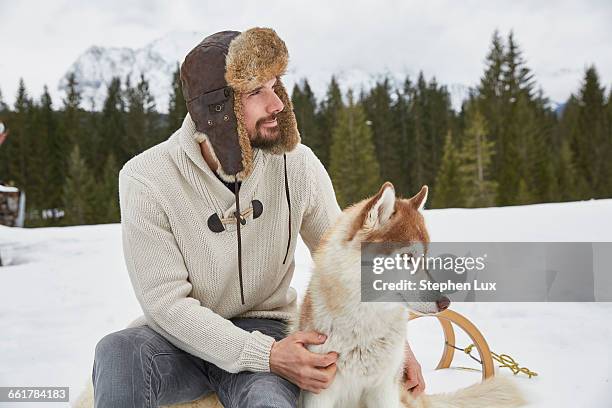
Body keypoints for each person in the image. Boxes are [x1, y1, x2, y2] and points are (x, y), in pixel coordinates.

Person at [92, 27, 424, 408]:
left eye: (275, 84)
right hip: (177, 341)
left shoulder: (298, 166)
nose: (277, 103)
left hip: (267, 328)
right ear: (217, 109)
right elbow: (165, 304)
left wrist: (399, 349)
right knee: (117, 352)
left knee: (268, 401)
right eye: (256, 92)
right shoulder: (146, 178)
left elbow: (346, 265)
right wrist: (263, 354)